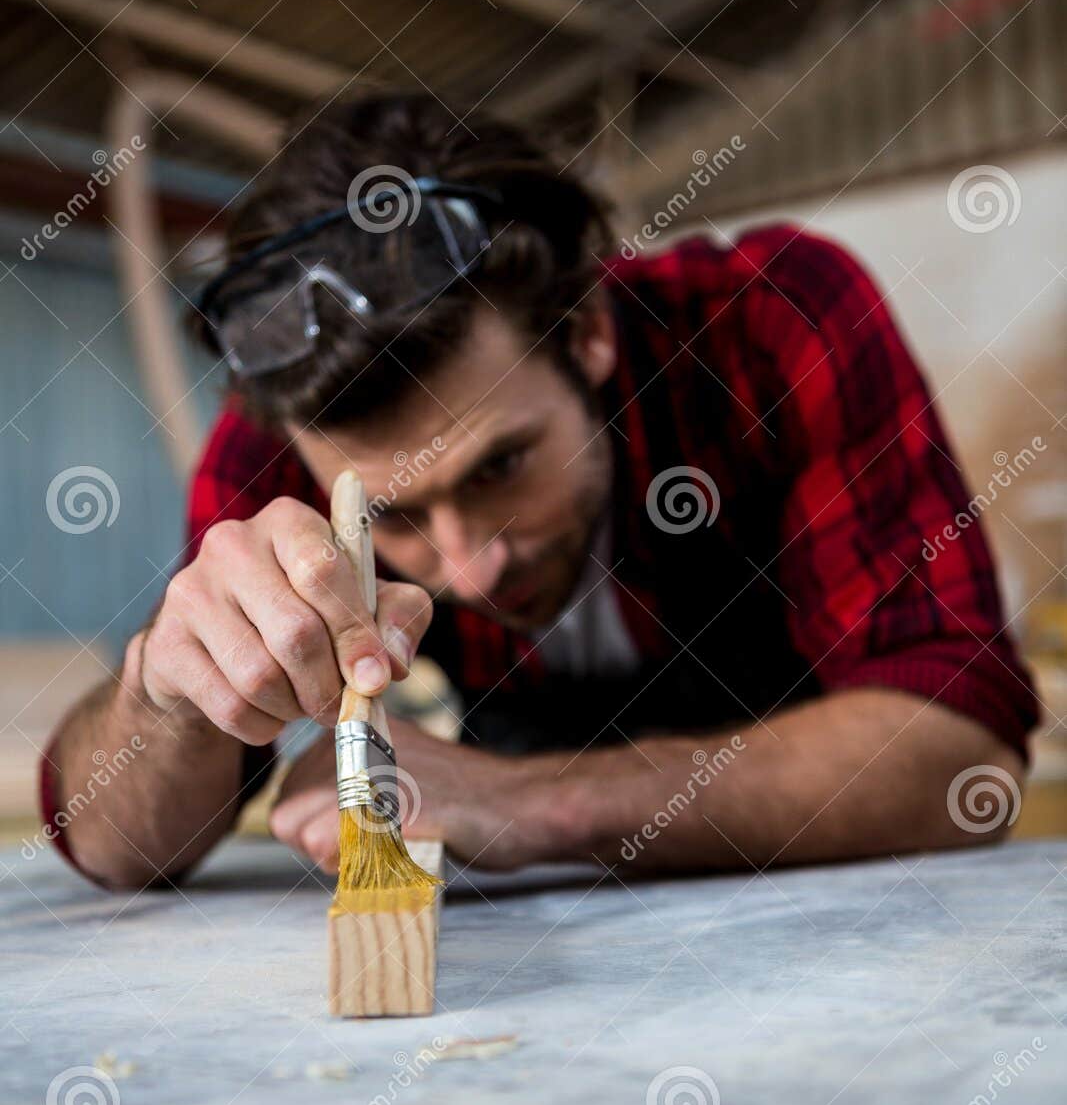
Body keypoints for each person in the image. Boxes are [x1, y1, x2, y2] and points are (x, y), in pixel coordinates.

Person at [42, 93, 1038, 889]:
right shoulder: (279, 445)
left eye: (500, 466)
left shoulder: (770, 321)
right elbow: (117, 848)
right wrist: (166, 698)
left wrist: (535, 803)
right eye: (391, 517)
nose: (472, 565)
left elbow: (959, 752)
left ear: (586, 330)